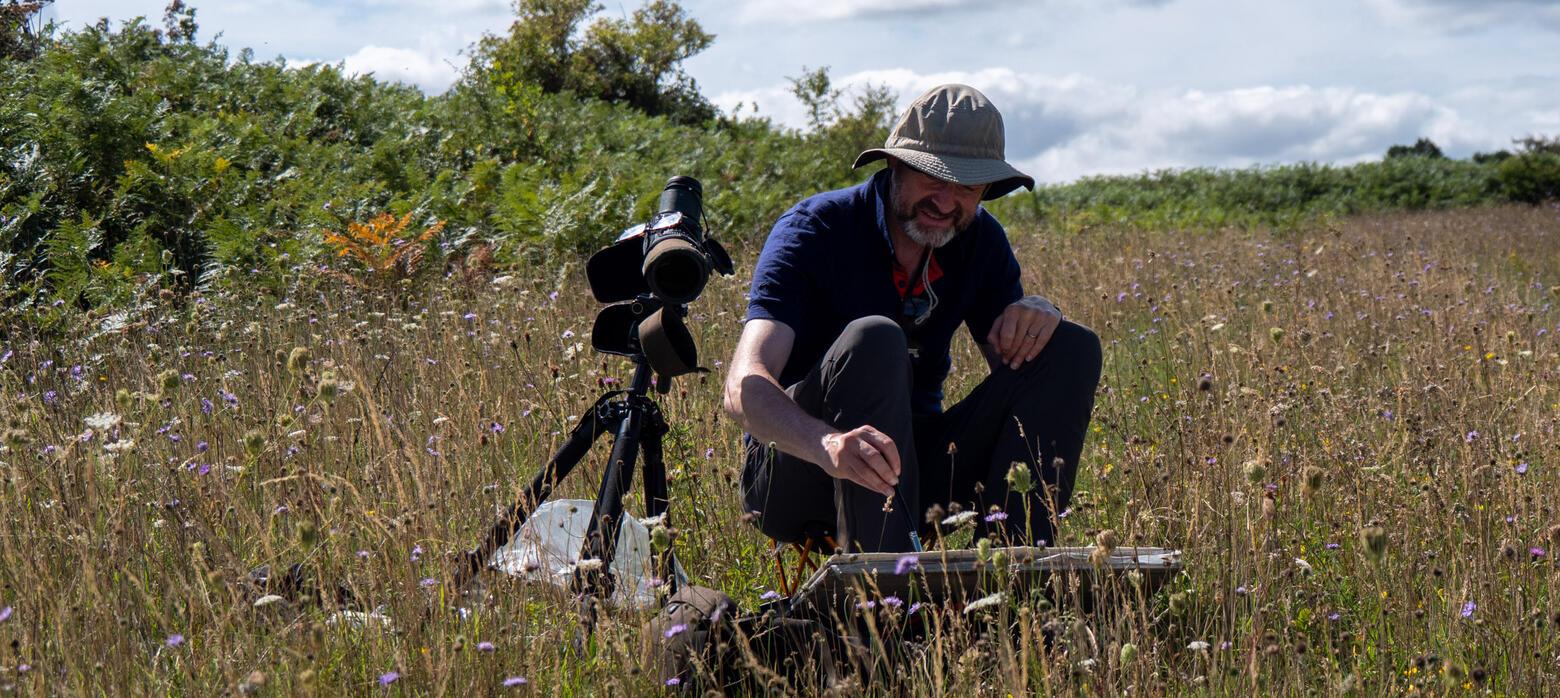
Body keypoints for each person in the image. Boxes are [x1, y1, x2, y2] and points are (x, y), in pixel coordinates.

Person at [723, 84, 1102, 553]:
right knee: (874, 338)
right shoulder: (816, 230)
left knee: (1070, 347)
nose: (946, 202)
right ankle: (888, 596)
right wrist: (829, 446)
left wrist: (1039, 320)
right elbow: (743, 388)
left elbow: (1020, 378)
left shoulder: (979, 241)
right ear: (895, 166)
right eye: (933, 178)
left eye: (966, 186)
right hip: (802, 469)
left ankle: (1017, 589)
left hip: (915, 469)